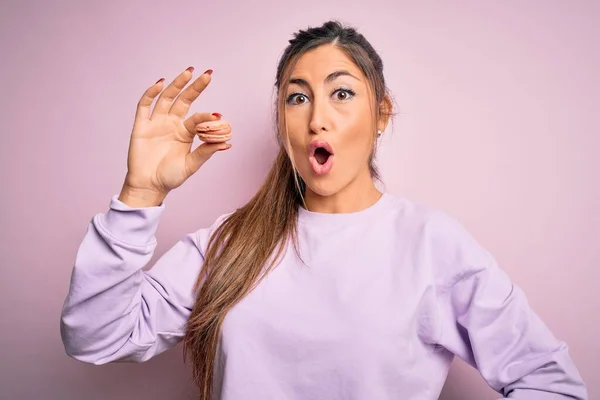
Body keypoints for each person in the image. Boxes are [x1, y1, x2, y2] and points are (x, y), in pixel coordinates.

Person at [59, 20, 588, 400]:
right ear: (282, 122)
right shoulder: (230, 242)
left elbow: (550, 383)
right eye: (297, 98)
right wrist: (141, 193)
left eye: (341, 93)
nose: (317, 119)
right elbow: (97, 336)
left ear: (380, 116)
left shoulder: (430, 244)